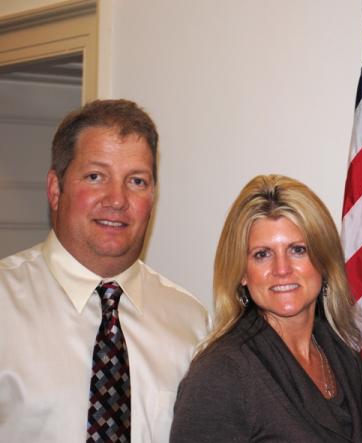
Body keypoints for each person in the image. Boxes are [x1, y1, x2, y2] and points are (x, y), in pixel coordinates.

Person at [0, 99, 208, 442]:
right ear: (55, 189)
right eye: (96, 176)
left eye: (137, 181)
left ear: (153, 196)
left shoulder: (191, 323)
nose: (116, 199)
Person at [170, 174, 362, 442]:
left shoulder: (346, 361)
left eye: (298, 250)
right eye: (262, 254)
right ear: (242, 273)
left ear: (324, 262)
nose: (282, 270)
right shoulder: (221, 373)